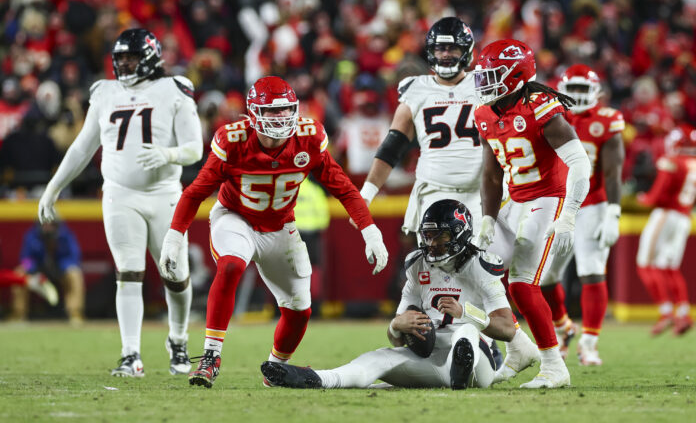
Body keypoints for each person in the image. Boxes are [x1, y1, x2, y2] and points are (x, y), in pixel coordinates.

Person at [159, 75, 389, 389]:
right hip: (235, 217)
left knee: (300, 312)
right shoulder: (233, 140)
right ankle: (211, 356)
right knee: (230, 264)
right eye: (271, 112)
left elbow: (345, 189)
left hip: (281, 226)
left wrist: (370, 231)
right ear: (254, 114)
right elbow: (195, 192)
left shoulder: (308, 137)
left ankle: (276, 370)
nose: (280, 118)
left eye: (286, 110)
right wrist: (174, 236)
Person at [37, 28, 204, 377]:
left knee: (175, 273)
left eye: (131, 58)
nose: (125, 65)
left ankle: (178, 339)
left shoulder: (174, 89)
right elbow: (83, 147)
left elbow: (194, 148)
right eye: (121, 59)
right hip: (119, 193)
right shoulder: (105, 92)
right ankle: (131, 354)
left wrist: (166, 152)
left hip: (165, 194)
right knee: (127, 273)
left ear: (150, 57)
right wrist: (53, 188)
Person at [260, 200, 537, 390]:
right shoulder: (418, 265)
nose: (432, 244)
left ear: (459, 235)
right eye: (428, 237)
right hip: (431, 358)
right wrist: (396, 325)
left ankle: (461, 371)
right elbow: (395, 337)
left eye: (439, 237)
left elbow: (506, 328)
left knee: (465, 334)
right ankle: (315, 378)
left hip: (479, 361)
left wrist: (466, 314)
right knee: (378, 357)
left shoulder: (481, 265)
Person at [473, 39, 591, 388]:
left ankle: (555, 367)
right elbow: (491, 174)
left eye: (493, 75)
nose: (485, 83)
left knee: (524, 284)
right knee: (481, 273)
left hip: (548, 198)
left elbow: (580, 164)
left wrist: (568, 213)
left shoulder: (540, 108)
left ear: (516, 75)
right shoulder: (484, 113)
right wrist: (487, 218)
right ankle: (520, 350)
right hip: (516, 199)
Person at [357, 17, 483, 234]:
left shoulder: (484, 85)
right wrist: (366, 195)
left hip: (480, 194)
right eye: (439, 48)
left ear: (466, 50)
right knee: (437, 263)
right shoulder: (416, 87)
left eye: (452, 48)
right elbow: (392, 146)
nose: (445, 54)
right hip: (433, 192)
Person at [540, 64, 626, 366]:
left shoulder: (607, 119)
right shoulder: (549, 114)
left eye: (581, 89)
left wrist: (613, 212)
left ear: (596, 92)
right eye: (572, 88)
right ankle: (564, 328)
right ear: (562, 87)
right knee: (545, 277)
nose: (576, 95)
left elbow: (614, 172)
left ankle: (589, 343)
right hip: (556, 203)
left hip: (593, 204)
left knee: (591, 270)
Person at [636, 124, 696, 336]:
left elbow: (657, 196)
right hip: (685, 217)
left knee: (645, 264)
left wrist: (643, 199)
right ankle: (683, 313)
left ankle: (666, 311)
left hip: (666, 215)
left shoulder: (672, 162)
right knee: (669, 267)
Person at [10, 220, 82, 323]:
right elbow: (26, 259)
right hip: (38, 270)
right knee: (19, 273)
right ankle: (19, 314)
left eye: (51, 224)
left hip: (60, 269)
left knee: (74, 274)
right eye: (45, 224)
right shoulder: (32, 235)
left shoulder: (65, 235)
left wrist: (65, 266)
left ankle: (75, 314)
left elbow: (74, 257)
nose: (47, 227)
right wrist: (31, 269)